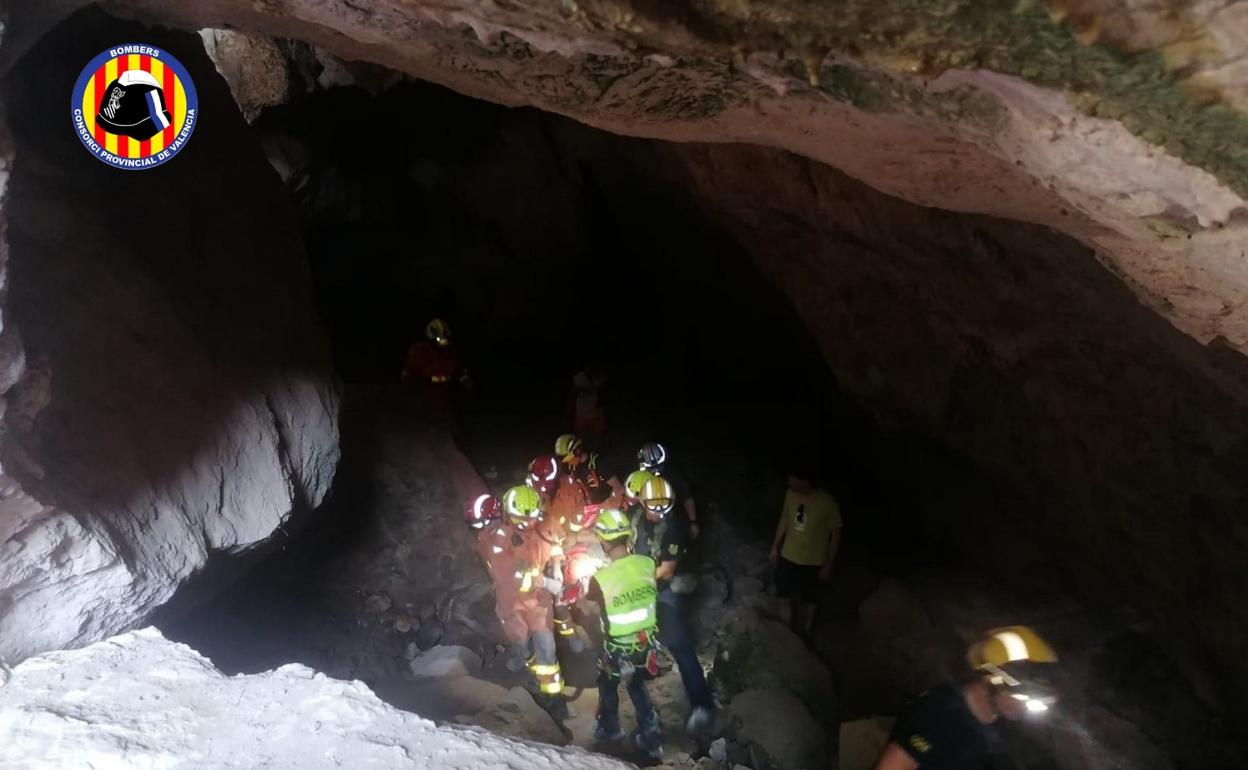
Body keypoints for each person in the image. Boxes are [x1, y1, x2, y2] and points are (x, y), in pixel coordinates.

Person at [873, 626, 1059, 770]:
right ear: (993, 680)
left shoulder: (1005, 728)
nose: (1023, 706)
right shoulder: (937, 713)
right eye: (1020, 695)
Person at [631, 476, 716, 734]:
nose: (658, 515)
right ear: (641, 502)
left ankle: (702, 705)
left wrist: (630, 580)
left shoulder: (675, 526)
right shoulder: (634, 515)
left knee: (679, 643)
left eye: (663, 509)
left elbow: (666, 571)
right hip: (641, 582)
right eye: (652, 509)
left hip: (666, 587)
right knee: (636, 636)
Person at [484, 485, 567, 719]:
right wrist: (543, 581)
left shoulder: (540, 526)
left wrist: (558, 566)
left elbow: (554, 541)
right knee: (522, 644)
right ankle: (528, 665)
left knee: (547, 651)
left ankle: (554, 697)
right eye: (520, 518)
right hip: (512, 604)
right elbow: (509, 577)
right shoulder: (499, 539)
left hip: (539, 603)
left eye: (530, 517)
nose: (526, 523)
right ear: (509, 514)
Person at [588, 543, 663, 761]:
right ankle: (652, 741)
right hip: (644, 644)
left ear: (603, 542)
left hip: (618, 649)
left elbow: (593, 602)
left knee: (608, 684)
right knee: (638, 688)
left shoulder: (601, 578)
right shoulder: (647, 563)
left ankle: (611, 729)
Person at [768, 469, 842, 636]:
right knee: (783, 596)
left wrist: (828, 565)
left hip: (813, 561)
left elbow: (836, 535)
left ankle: (806, 633)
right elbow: (785, 519)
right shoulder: (790, 495)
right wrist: (775, 546)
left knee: (810, 601)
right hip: (788, 556)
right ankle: (786, 635)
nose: (790, 483)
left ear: (806, 481)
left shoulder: (827, 502)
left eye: (793, 480)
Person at [401, 318, 469, 420]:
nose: (443, 342)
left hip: (446, 394)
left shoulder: (450, 351)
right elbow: (411, 372)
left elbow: (458, 367)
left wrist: (464, 378)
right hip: (424, 392)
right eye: (439, 339)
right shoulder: (420, 350)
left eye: (445, 339)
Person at [638, 442, 700, 539]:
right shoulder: (640, 479)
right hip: (649, 521)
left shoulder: (674, 476)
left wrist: (693, 522)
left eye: (659, 467)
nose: (656, 472)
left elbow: (687, 497)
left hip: (673, 518)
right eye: (653, 469)